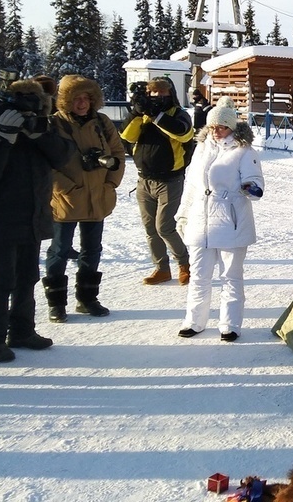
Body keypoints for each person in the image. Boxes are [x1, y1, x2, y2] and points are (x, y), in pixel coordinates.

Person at [0, 78, 75, 363]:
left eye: (34, 99)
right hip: (1, 218)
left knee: (27, 278)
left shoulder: (42, 127)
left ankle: (22, 331)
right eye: (22, 99)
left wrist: (39, 134)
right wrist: (4, 138)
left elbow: (63, 157)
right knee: (2, 280)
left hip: (34, 216)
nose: (28, 105)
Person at [174, 98, 264, 341]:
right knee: (199, 275)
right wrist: (183, 213)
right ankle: (194, 321)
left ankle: (230, 325)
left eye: (222, 127)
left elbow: (255, 181)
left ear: (232, 127)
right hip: (200, 219)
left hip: (229, 219)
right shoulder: (202, 148)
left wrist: (250, 188)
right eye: (213, 126)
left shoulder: (244, 151)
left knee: (230, 276)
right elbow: (191, 184)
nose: (216, 131)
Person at [43, 75, 126, 323]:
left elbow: (118, 153)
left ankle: (87, 299)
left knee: (92, 251)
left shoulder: (101, 122)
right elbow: (46, 163)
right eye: (76, 98)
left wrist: (110, 184)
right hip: (65, 200)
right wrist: (66, 189)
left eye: (86, 98)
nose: (82, 103)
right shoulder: (53, 124)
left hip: (97, 197)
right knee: (59, 251)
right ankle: (56, 304)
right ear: (65, 100)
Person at [121, 77, 194, 285]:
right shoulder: (143, 116)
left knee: (165, 227)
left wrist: (155, 114)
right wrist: (136, 111)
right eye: (154, 93)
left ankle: (184, 264)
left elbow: (183, 134)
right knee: (150, 228)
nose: (158, 97)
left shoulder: (179, 115)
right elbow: (127, 136)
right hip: (144, 180)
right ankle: (161, 268)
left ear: (170, 94)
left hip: (170, 180)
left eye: (163, 93)